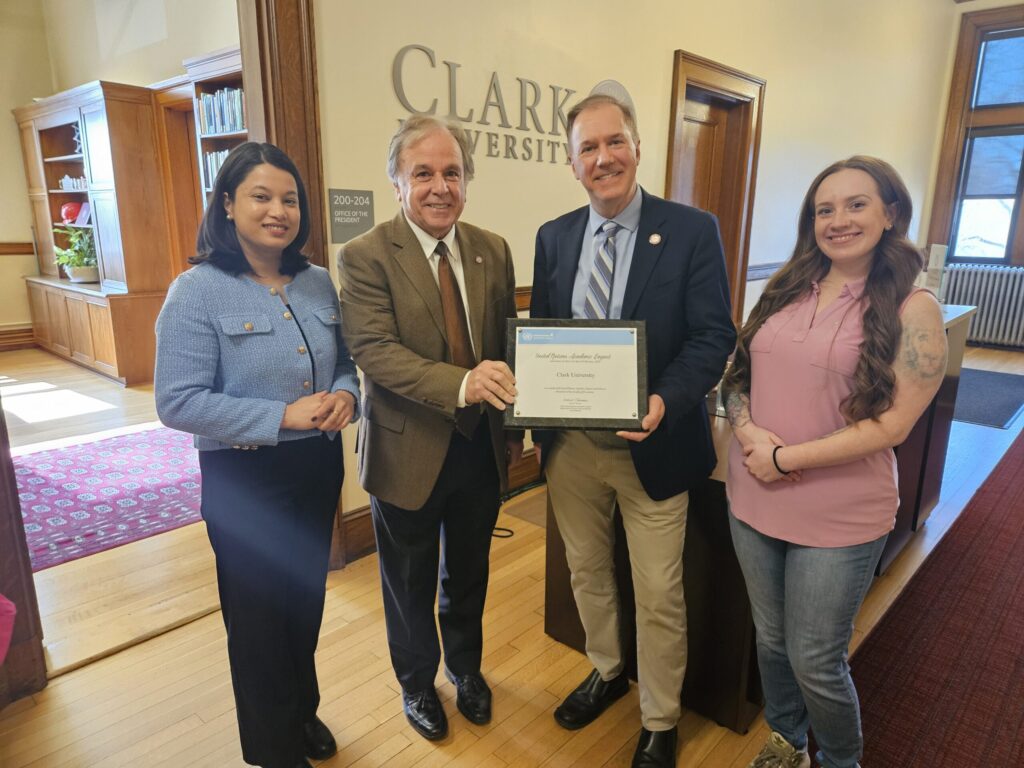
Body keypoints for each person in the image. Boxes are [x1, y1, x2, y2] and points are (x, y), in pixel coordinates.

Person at [530, 93, 736, 768]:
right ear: (572, 163)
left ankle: (660, 717)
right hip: (573, 450)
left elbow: (713, 337)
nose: (603, 158)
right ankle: (607, 669)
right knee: (586, 570)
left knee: (658, 591)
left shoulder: (692, 228)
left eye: (614, 142)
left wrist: (663, 399)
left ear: (638, 147)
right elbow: (547, 337)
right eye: (587, 148)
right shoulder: (555, 236)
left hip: (655, 444)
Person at [722, 156, 947, 768]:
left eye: (856, 204)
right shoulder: (785, 286)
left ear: (891, 213)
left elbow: (894, 424)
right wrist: (747, 433)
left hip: (840, 514)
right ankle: (787, 740)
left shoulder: (912, 306)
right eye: (825, 209)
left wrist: (784, 456)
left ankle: (839, 761)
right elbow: (736, 375)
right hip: (752, 496)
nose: (838, 220)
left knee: (816, 659)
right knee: (771, 641)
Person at [155, 142, 360, 768]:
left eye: (289, 199)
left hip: (315, 469)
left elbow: (348, 364)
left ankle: (302, 713)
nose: (279, 211)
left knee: (305, 603)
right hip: (244, 480)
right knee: (258, 622)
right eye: (261, 197)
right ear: (228, 205)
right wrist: (279, 416)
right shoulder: (195, 292)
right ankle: (274, 750)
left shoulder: (319, 281)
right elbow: (177, 402)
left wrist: (347, 396)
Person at [338, 116, 521, 742]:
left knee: (469, 570)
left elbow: (504, 344)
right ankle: (417, 682)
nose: (439, 186)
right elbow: (374, 352)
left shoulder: (491, 248)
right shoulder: (364, 256)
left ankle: (466, 669)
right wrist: (461, 384)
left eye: (452, 172)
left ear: (466, 181)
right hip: (405, 452)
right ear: (397, 183)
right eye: (423, 173)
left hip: (478, 448)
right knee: (409, 580)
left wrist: (515, 428)